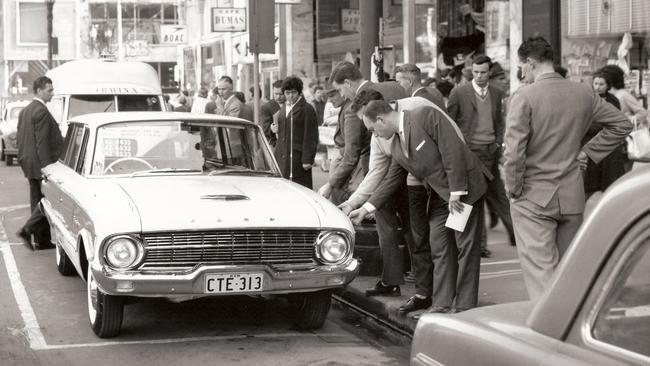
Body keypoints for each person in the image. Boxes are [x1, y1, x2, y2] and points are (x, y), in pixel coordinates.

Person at [503, 37, 632, 300]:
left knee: (541, 274)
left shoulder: (524, 96)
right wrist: (588, 152)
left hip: (532, 197)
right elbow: (622, 124)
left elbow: (514, 151)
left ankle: (550, 333)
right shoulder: (583, 92)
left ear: (530, 62)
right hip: (572, 193)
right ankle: (572, 326)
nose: (522, 72)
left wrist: (512, 189)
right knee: (567, 272)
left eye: (522, 66)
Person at [351, 101, 489, 314]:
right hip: (441, 196)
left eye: (373, 130)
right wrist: (366, 208)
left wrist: (456, 191)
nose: (375, 135)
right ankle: (442, 303)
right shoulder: (397, 145)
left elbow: (451, 149)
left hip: (463, 190)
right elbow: (392, 179)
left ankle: (464, 305)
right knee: (439, 244)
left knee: (465, 246)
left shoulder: (424, 115)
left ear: (381, 119)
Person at [341, 90, 441, 298]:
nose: (371, 131)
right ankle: (402, 282)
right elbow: (378, 170)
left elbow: (446, 140)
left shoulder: (416, 107)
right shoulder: (378, 135)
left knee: (423, 234)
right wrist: (353, 203)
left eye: (369, 122)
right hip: (401, 178)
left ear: (379, 111)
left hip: (432, 181)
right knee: (400, 226)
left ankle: (432, 285)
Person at [447, 54, 516, 257]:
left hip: (490, 151)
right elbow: (450, 123)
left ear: (490, 72)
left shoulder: (496, 92)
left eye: (483, 72)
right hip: (469, 153)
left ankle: (514, 235)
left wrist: (497, 143)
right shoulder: (458, 92)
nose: (479, 76)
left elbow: (499, 120)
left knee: (497, 196)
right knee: (473, 197)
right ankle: (475, 244)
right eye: (475, 72)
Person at [318, 61, 405, 205]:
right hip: (407, 166)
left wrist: (330, 184)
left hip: (378, 169)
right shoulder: (395, 86)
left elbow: (351, 154)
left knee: (383, 219)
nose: (342, 95)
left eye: (339, 90)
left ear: (347, 83)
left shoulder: (357, 106)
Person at [15, 76, 64, 251]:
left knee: (37, 200)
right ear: (39, 90)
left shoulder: (25, 110)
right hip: (40, 164)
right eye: (49, 90)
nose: (52, 93)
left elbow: (20, 139)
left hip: (28, 163)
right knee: (46, 201)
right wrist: (47, 169)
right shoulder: (41, 111)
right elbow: (42, 142)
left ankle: (40, 240)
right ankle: (28, 230)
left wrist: (22, 160)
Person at [582, 68, 627, 199]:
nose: (598, 87)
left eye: (601, 84)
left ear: (608, 85)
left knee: (610, 183)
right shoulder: (588, 99)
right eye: (596, 83)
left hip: (609, 148)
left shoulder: (613, 100)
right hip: (591, 144)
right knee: (589, 185)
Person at [273, 76, 319, 189]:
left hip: (298, 156)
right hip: (282, 154)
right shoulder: (284, 107)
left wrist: (308, 159)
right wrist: (275, 129)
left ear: (299, 92)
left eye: (293, 92)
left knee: (299, 188)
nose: (290, 96)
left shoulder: (307, 109)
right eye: (287, 93)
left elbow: (311, 135)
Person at [261, 80, 285, 147]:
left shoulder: (290, 104)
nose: (278, 97)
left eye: (281, 94)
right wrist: (272, 129)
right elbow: (265, 129)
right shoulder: (267, 107)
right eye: (276, 94)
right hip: (275, 143)